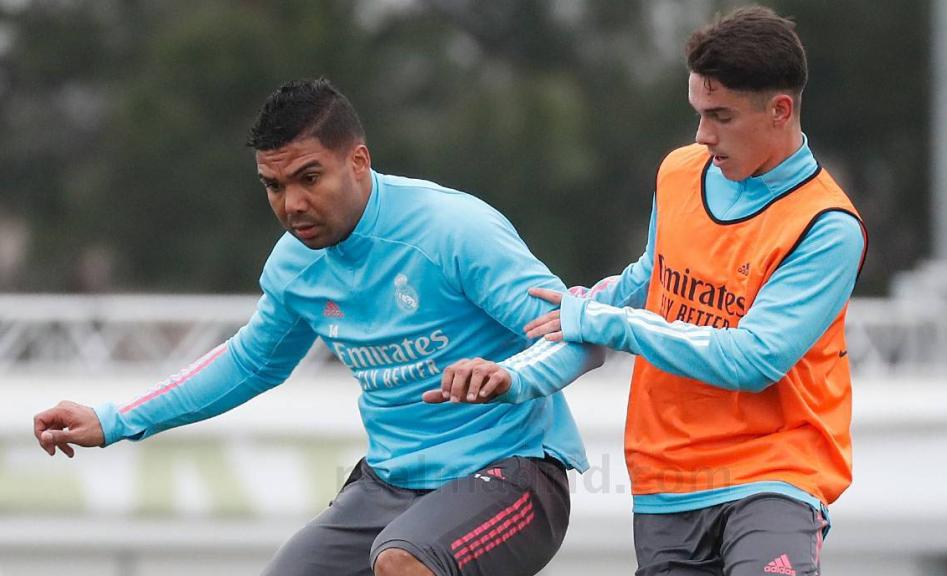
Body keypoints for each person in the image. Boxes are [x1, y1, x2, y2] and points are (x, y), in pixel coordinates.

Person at [32, 77, 604, 576]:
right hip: (390, 487)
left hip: (512, 476)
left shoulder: (454, 231)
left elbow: (580, 339)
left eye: (309, 178)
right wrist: (113, 420)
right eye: (274, 186)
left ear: (358, 161)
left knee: (405, 560)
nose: (292, 205)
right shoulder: (293, 265)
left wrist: (507, 376)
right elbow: (248, 362)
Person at [433, 6, 868, 576]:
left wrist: (602, 322)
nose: (702, 135)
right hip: (667, 477)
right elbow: (642, 287)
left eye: (720, 116)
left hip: (776, 473)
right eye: (697, 113)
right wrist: (515, 377)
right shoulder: (680, 172)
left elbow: (753, 358)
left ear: (779, 110)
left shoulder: (827, 226)